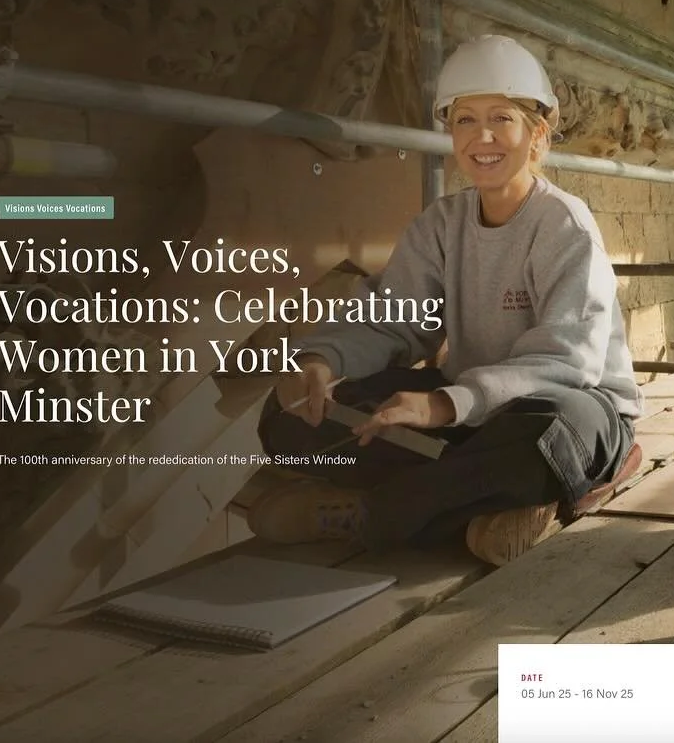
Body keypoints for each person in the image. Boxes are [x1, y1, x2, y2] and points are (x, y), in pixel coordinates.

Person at [249, 35, 645, 566]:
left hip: (573, 407)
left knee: (545, 437)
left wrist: (443, 405)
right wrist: (323, 360)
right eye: (464, 120)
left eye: (502, 118)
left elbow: (567, 363)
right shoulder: (441, 224)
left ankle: (374, 514)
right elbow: (393, 321)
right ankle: (483, 507)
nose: (482, 136)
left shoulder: (564, 225)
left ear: (537, 135)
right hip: (470, 405)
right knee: (289, 416)